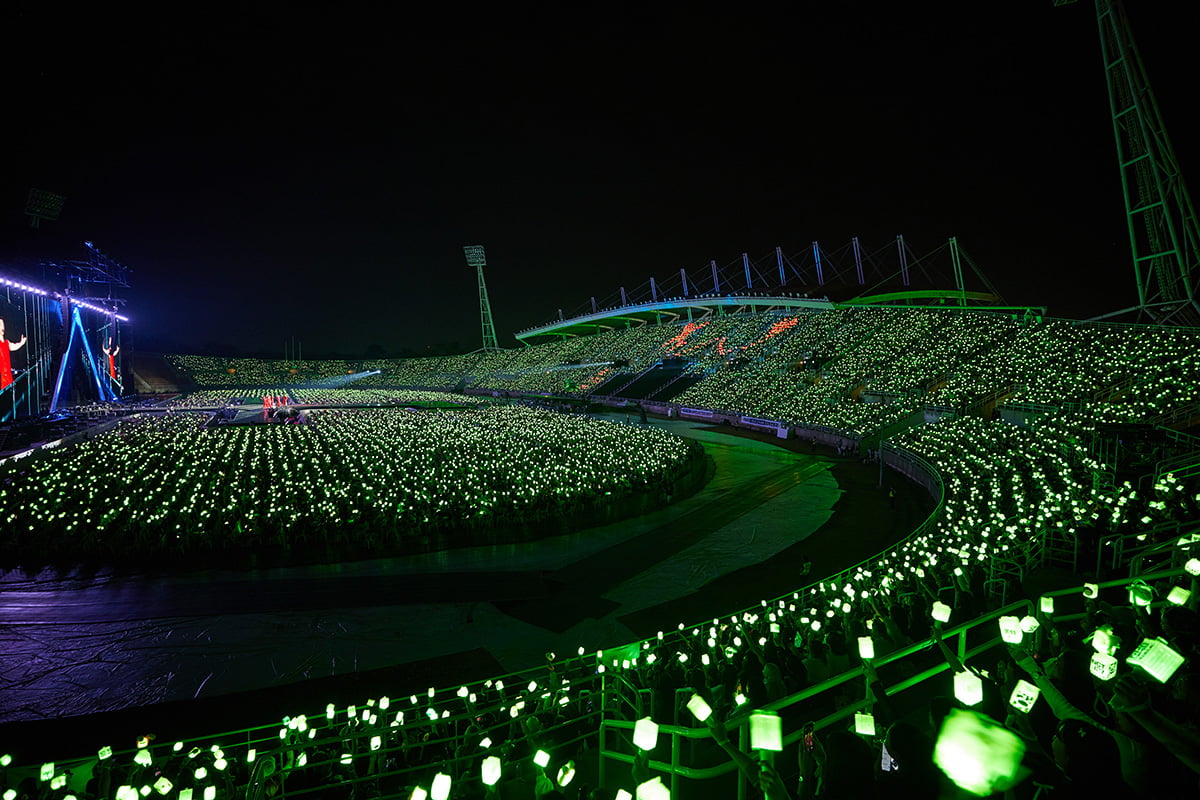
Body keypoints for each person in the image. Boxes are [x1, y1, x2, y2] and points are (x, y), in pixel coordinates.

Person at [0, 317, 28, 390]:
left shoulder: (6, 343)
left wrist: (21, 343)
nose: (2, 327)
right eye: (0, 325)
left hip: (8, 378)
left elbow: (13, 346)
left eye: (3, 325)